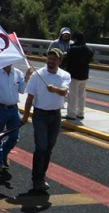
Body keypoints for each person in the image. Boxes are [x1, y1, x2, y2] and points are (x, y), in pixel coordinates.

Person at [20, 48, 71, 192]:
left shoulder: (65, 75)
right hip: (40, 115)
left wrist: (54, 89)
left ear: (59, 61)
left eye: (54, 59)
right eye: (49, 58)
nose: (50, 61)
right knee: (41, 147)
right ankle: (36, 179)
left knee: (48, 149)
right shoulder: (38, 75)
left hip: (55, 116)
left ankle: (42, 176)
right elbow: (30, 97)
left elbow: (64, 92)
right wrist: (25, 116)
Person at [0, 65, 33, 173]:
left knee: (14, 137)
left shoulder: (18, 73)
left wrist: (26, 78)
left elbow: (21, 90)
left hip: (14, 109)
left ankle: (3, 153)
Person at [62, 31, 93, 120]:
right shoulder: (89, 50)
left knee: (72, 95)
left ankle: (71, 114)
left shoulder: (73, 49)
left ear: (75, 39)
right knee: (82, 95)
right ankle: (80, 113)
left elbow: (67, 60)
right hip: (84, 75)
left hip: (74, 75)